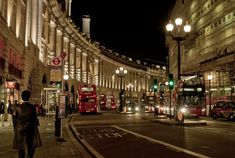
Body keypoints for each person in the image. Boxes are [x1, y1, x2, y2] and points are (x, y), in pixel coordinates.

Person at [13, 90, 42, 158]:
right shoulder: (32, 107)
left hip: (20, 130)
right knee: (30, 146)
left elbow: (15, 120)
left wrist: (16, 129)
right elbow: (34, 119)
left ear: (22, 97)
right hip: (30, 130)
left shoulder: (17, 107)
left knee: (20, 148)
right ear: (29, 97)